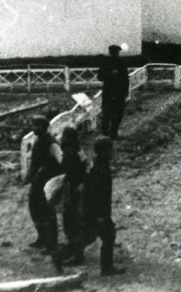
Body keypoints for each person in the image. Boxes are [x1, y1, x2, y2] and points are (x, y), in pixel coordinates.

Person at [54, 136, 123, 276]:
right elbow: (97, 195)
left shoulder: (97, 165)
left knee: (87, 237)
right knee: (108, 236)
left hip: (90, 211)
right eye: (110, 149)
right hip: (97, 212)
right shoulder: (100, 170)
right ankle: (106, 268)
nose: (112, 152)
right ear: (103, 151)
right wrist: (101, 215)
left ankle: (60, 254)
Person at [50, 127, 88, 269]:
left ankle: (77, 255)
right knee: (74, 223)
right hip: (77, 190)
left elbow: (68, 172)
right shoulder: (79, 152)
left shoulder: (71, 154)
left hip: (71, 191)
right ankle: (77, 251)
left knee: (71, 224)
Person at [26, 115, 62, 253]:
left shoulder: (51, 143)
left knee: (47, 212)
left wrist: (48, 172)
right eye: (33, 125)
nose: (34, 128)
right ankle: (41, 237)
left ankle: (51, 243)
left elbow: (61, 161)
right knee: (34, 209)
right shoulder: (38, 140)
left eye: (37, 125)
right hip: (37, 182)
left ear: (44, 127)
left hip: (47, 183)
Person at [98, 44, 130, 140]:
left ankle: (105, 130)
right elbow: (125, 79)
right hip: (118, 91)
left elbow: (100, 77)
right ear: (118, 52)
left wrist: (108, 75)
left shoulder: (104, 62)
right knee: (118, 112)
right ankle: (113, 134)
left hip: (107, 90)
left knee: (106, 111)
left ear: (109, 52)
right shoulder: (122, 62)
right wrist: (125, 91)